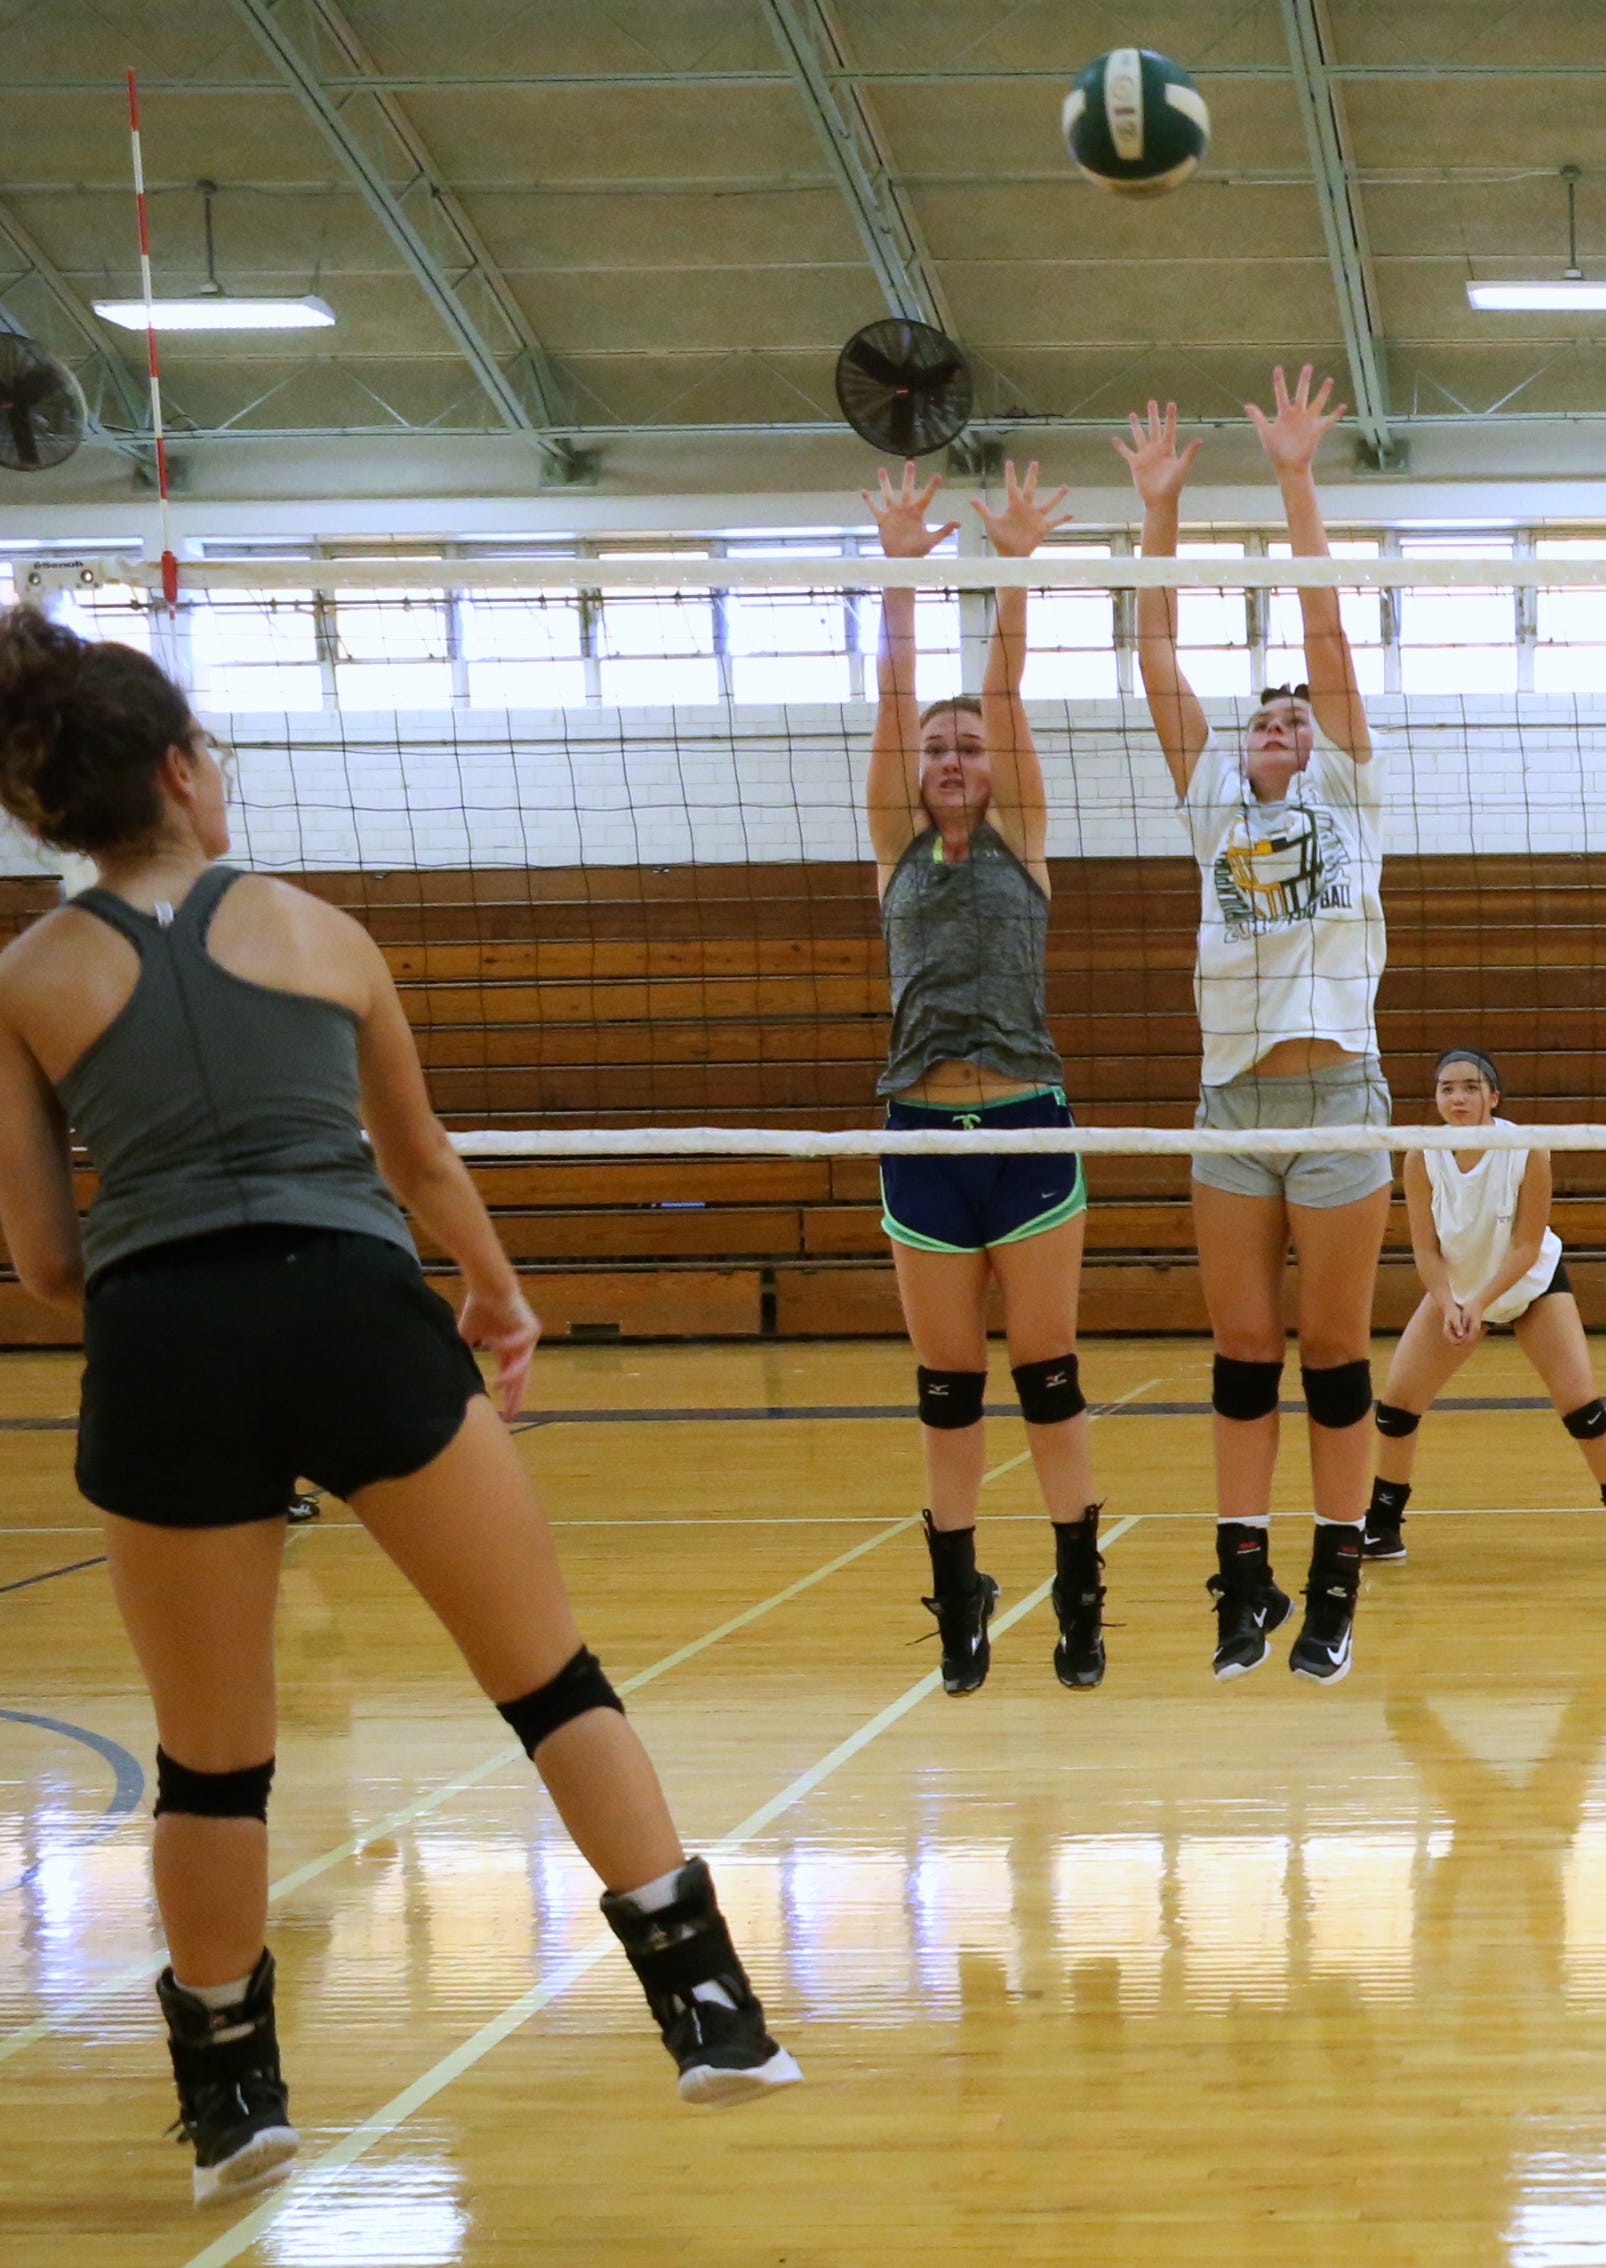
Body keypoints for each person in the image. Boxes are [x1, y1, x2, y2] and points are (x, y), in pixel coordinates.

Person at [0, 607, 796, 2203]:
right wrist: (495, 1294)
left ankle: (233, 2098)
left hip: (164, 1344)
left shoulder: (23, 977)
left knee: (213, 1764)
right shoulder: (323, 933)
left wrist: (177, 1284)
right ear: (182, 771)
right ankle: (709, 2009)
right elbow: (420, 1159)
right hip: (355, 1313)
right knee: (550, 1681)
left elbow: (44, 1263)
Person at [1120, 367, 1384, 1684]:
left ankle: (1334, 1585)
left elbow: (1327, 637)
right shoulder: (1210, 803)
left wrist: (1295, 478)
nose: (1281, 725)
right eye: (1263, 720)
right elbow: (1155, 654)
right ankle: (1243, 1581)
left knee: (1332, 1354)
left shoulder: (1348, 796)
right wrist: (1160, 510)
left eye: (1294, 718)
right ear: (1240, 749)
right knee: (1239, 1355)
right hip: (1231, 1107)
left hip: (1339, 1104)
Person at [860, 459, 1106, 1694]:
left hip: (1024, 1132)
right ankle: (959, 1602)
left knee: (1046, 1382)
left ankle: (1079, 1600)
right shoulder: (893, 847)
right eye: (937, 749)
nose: (952, 757)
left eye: (968, 747)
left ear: (995, 767)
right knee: (947, 1391)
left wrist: (1012, 570)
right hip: (918, 1139)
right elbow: (895, 695)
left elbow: (1002, 695)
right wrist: (901, 579)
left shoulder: (1025, 842)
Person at [1361, 1048, 1606, 1568]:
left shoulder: (1527, 1150)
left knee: (1582, 1408)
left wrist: (1480, 1303)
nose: (1458, 1097)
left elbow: (1526, 1247)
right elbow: (1425, 1250)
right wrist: (1450, 1303)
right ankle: (1383, 1527)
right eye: (1447, 1088)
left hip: (1530, 1286)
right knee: (1396, 1409)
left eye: (1471, 1087)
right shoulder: (1421, 1155)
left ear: (1494, 1097)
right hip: (1459, 1289)